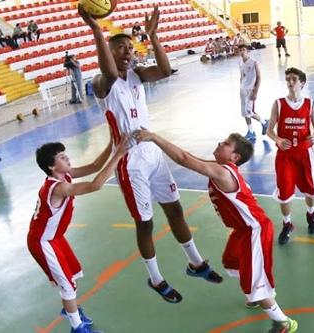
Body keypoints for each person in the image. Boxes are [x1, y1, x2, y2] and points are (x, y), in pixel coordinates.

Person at [79, 5, 222, 304]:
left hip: (153, 154)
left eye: (130, 47)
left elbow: (166, 70)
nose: (128, 52)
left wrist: (154, 36)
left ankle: (196, 263)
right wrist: (96, 30)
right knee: (145, 223)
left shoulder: (136, 76)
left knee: (176, 210)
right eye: (120, 48)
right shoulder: (101, 82)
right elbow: (107, 70)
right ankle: (155, 279)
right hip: (129, 161)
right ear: (108, 50)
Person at [133, 129, 298, 333]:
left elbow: (184, 159)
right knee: (231, 261)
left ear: (234, 157)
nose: (221, 143)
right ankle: (256, 294)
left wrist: (155, 138)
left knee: (255, 280)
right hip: (241, 230)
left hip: (254, 230)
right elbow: (190, 157)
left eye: (226, 143)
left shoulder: (222, 172)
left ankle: (283, 322)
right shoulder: (221, 168)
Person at [27, 135, 128, 333]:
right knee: (67, 286)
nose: (67, 159)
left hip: (55, 238)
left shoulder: (65, 176)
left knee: (72, 275)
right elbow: (94, 185)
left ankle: (70, 310)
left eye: (66, 155)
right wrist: (119, 154)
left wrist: (112, 142)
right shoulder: (58, 187)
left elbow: (94, 165)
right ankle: (77, 328)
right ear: (51, 167)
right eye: (62, 157)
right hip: (42, 241)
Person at [266, 67, 314, 245]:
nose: (290, 82)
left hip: (305, 154)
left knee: (310, 189)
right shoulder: (279, 103)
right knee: (284, 193)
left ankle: (310, 214)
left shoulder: (310, 103)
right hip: (286, 156)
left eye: (294, 79)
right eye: (288, 79)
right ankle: (287, 223)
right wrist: (278, 139)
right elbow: (269, 130)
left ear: (302, 83)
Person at [238, 44, 268, 141]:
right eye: (240, 50)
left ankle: (264, 122)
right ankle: (251, 132)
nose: (242, 52)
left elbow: (259, 77)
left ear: (247, 51)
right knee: (244, 112)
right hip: (243, 90)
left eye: (244, 50)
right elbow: (242, 76)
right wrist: (241, 86)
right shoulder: (240, 63)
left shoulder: (254, 62)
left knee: (249, 111)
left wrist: (256, 91)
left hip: (250, 90)